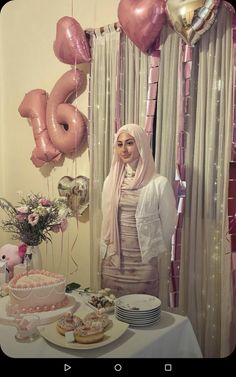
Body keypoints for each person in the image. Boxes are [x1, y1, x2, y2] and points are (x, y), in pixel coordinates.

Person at [100, 124, 177, 298]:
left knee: (143, 315)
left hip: (143, 262)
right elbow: (106, 216)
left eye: (129, 143)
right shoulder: (110, 182)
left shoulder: (158, 183)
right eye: (119, 144)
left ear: (141, 144)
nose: (124, 149)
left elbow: (168, 225)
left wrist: (151, 247)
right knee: (112, 314)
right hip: (113, 260)